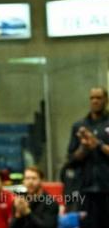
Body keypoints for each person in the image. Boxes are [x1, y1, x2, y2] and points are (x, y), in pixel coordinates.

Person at [67, 87, 109, 228]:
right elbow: (71, 159)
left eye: (99, 98)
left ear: (106, 100)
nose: (95, 101)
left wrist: (97, 144)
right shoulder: (79, 126)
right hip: (85, 189)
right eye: (92, 98)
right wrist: (84, 147)